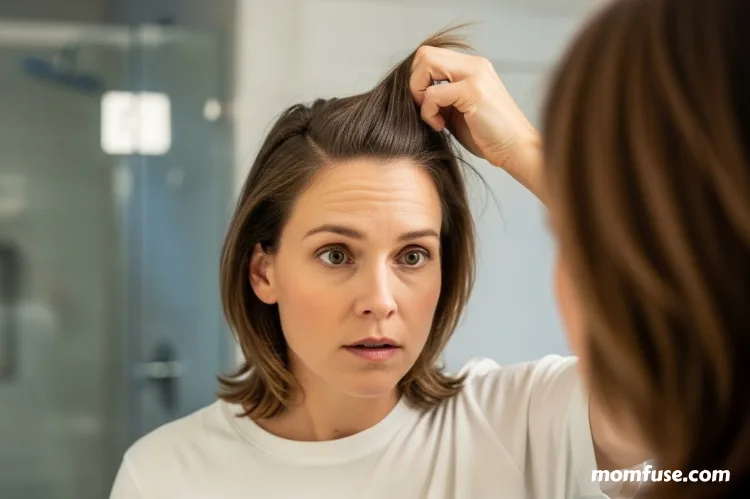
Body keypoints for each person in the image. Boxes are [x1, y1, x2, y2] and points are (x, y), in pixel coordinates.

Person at [110, 0, 750, 496]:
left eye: (413, 255)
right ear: (262, 270)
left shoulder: (531, 422)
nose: (380, 302)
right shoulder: (165, 475)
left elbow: (710, 330)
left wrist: (526, 155)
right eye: (337, 254)